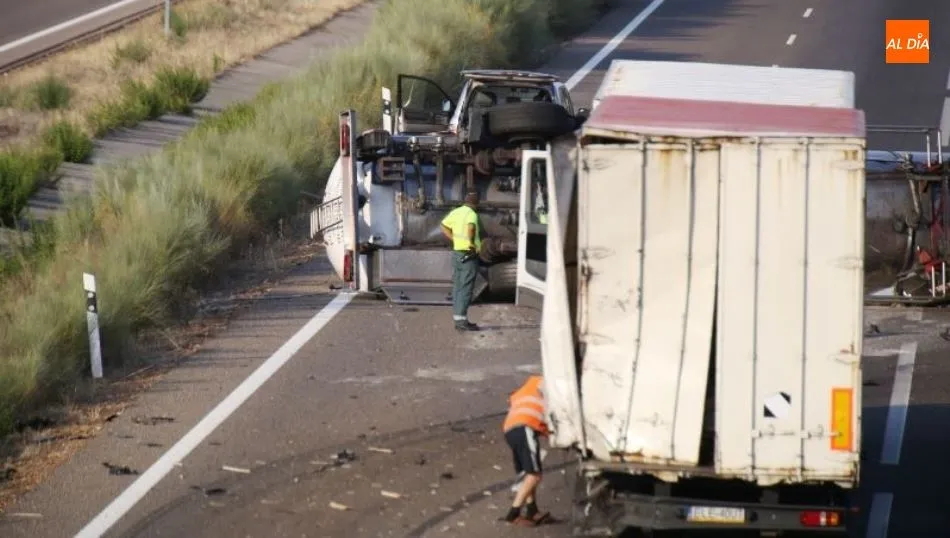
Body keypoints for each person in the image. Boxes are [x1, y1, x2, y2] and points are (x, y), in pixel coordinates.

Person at [500, 375, 552, 527]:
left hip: (510, 429)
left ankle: (532, 510)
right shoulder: (548, 383)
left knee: (526, 473)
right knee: (534, 475)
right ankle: (513, 513)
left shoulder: (529, 386)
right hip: (525, 426)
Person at [440, 191, 482, 331]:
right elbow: (470, 227)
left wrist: (453, 238)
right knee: (466, 287)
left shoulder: (456, 212)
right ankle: (461, 321)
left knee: (458, 286)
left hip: (457, 253)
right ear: (476, 204)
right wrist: (471, 242)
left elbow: (443, 226)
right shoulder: (471, 214)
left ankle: (458, 318)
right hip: (468, 254)